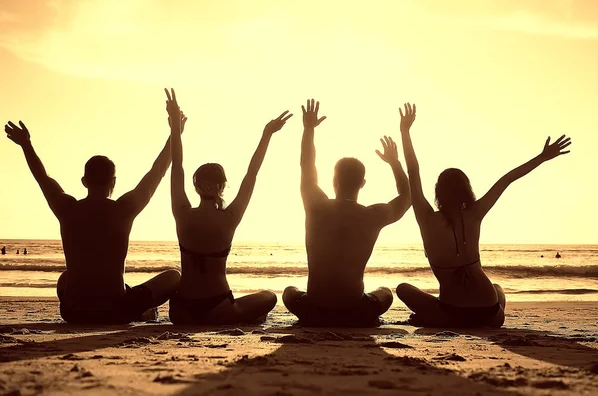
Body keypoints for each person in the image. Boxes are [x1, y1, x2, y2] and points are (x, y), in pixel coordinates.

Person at [395, 103, 572, 328]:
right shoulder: (475, 212)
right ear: (466, 191)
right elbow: (507, 178)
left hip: (453, 315)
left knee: (403, 289)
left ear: (438, 192)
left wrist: (404, 131)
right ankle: (436, 315)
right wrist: (542, 157)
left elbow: (413, 171)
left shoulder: (427, 218)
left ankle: (432, 316)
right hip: (491, 316)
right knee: (497, 289)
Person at [4, 108, 182, 325]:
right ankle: (141, 312)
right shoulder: (123, 209)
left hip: (73, 312)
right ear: (113, 182)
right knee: (174, 276)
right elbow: (157, 171)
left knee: (65, 278)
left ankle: (134, 307)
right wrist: (175, 133)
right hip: (115, 311)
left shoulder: (67, 208)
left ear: (84, 181)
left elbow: (42, 177)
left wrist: (26, 145)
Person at [164, 88, 289, 325]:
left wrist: (174, 129)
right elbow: (251, 174)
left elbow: (177, 166)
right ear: (222, 186)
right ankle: (247, 316)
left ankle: (244, 315)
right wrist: (267, 135)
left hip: (182, 312)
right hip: (218, 308)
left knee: (255, 306)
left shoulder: (182, 213)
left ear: (196, 186)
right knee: (269, 297)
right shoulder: (230, 217)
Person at [282, 99, 412, 327]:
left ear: (333, 180)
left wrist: (309, 129)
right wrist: (394, 163)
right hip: (356, 312)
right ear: (362, 183)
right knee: (385, 293)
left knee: (289, 292)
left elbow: (306, 165)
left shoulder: (316, 205)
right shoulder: (373, 215)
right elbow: (406, 197)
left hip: (313, 311)